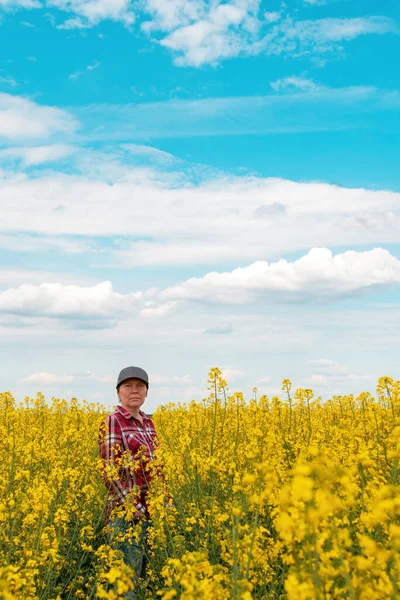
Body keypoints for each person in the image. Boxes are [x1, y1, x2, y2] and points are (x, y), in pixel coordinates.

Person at [99, 366, 158, 593]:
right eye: (128, 386)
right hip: (127, 516)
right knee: (127, 588)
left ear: (146, 392)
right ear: (118, 392)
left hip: (152, 514)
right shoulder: (113, 421)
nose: (134, 391)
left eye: (140, 386)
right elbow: (110, 471)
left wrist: (165, 503)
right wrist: (133, 506)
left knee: (146, 581)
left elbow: (156, 468)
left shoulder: (148, 423)